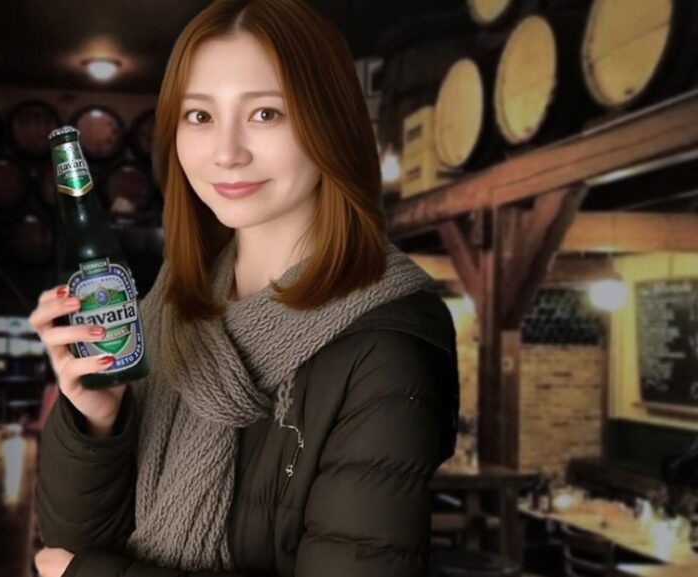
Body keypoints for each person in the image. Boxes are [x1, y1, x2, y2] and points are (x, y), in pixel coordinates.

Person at [30, 1, 460, 576]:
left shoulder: (385, 346)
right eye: (199, 116)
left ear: (330, 123)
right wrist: (97, 422)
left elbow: (72, 564)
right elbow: (74, 540)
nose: (227, 152)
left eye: (265, 113)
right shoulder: (171, 306)